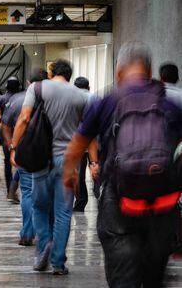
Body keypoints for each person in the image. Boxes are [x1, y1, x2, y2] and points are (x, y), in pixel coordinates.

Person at [64, 42, 182, 287]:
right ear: (150, 72)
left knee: (123, 276)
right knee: (153, 276)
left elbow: (76, 146)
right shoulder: (169, 103)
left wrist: (70, 176)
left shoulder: (107, 101)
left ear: (119, 73)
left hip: (119, 199)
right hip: (162, 202)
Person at [10, 59, 89, 275]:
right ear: (70, 75)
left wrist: (14, 147)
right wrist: (93, 160)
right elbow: (88, 131)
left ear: (51, 72)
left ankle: (43, 248)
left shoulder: (37, 88)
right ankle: (58, 262)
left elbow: (24, 118)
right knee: (63, 212)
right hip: (70, 160)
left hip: (41, 157)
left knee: (39, 206)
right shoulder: (81, 95)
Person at [1, 69, 47, 246]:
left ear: (29, 83)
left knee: (27, 191)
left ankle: (27, 233)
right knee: (47, 194)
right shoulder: (55, 97)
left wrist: (12, 145)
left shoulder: (17, 99)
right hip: (50, 151)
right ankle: (47, 236)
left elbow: (5, 123)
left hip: (25, 150)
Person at [72, 77, 99, 212]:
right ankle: (99, 194)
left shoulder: (72, 100)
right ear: (88, 87)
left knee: (79, 175)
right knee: (97, 170)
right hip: (97, 141)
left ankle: (80, 202)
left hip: (79, 142)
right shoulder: (97, 99)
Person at [0, 76, 21, 201]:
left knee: (8, 162)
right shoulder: (22, 98)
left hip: (6, 133)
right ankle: (16, 188)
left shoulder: (1, 98)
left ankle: (10, 189)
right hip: (21, 133)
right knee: (22, 162)